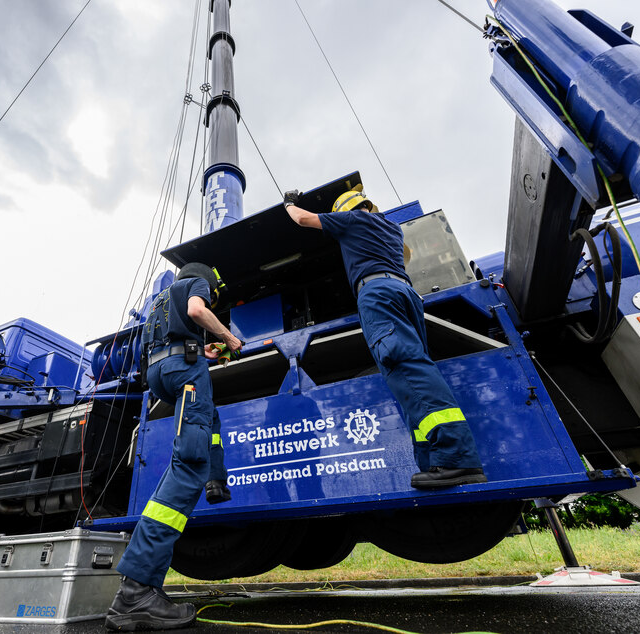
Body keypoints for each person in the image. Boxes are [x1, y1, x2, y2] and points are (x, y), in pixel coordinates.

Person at [283, 186, 487, 489]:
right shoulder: (391, 228)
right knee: (411, 374)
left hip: (378, 294)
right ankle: (433, 461)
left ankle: (456, 458)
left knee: (406, 367)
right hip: (406, 293)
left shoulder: (352, 221)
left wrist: (288, 204)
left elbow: (302, 219)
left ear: (348, 211)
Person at [106, 262, 242, 631]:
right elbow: (199, 311)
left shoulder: (160, 301)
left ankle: (215, 479)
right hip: (184, 370)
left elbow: (174, 337)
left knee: (205, 423)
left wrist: (203, 349)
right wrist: (229, 339)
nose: (211, 295)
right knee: (189, 463)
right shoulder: (196, 283)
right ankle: (136, 591)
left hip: (160, 372)